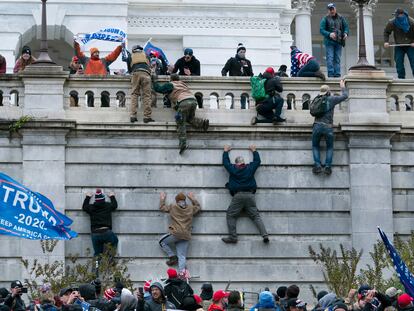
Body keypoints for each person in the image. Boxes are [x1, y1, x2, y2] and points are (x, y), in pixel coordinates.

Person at [221, 144, 269, 244]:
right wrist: (254, 150)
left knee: (230, 215)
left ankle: (233, 237)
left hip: (238, 196)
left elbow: (225, 163)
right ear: (243, 162)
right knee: (255, 216)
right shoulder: (249, 168)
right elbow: (257, 162)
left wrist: (225, 151)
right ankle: (264, 235)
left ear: (236, 163)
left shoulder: (233, 169)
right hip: (250, 195)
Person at [152, 73, 209, 154]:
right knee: (189, 118)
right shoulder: (183, 84)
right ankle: (203, 123)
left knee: (180, 121)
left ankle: (183, 143)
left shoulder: (171, 84)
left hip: (184, 102)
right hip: (193, 101)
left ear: (171, 79)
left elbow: (159, 89)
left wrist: (154, 81)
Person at [311, 80, 348, 175]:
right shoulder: (332, 99)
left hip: (317, 125)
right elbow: (345, 96)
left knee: (315, 146)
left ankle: (317, 165)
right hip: (328, 127)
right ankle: (327, 167)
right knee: (329, 147)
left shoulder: (316, 99)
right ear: (328, 92)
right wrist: (342, 86)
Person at [158, 191, 201, 274]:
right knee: (182, 256)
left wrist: (162, 199)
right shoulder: (191, 208)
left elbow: (162, 207)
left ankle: (172, 256)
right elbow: (198, 207)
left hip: (176, 233)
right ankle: (182, 274)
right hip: (186, 235)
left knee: (161, 241)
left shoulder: (173, 206)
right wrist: (193, 199)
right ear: (185, 200)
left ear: (177, 201)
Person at [82, 189, 119, 257]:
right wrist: (112, 196)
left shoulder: (91, 207)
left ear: (96, 200)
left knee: (97, 254)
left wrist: (87, 197)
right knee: (115, 241)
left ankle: (96, 267)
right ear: (103, 199)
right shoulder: (107, 206)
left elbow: (84, 207)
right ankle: (109, 261)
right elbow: (115, 205)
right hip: (106, 232)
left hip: (95, 233)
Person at [123, 44, 154, 123]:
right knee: (147, 95)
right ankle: (147, 117)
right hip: (146, 73)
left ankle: (133, 116)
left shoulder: (130, 56)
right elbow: (149, 65)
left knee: (134, 94)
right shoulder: (146, 55)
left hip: (136, 73)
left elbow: (129, 70)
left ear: (133, 50)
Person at [320, 3, 349, 78]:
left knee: (337, 58)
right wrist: (329, 34)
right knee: (330, 58)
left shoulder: (341, 18)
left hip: (339, 41)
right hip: (329, 42)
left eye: (332, 9)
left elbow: (346, 27)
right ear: (328, 10)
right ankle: (331, 74)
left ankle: (337, 74)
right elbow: (321, 30)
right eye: (330, 9)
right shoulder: (325, 19)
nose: (331, 11)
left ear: (335, 9)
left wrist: (345, 33)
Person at [384, 8, 414, 79]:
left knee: (413, 62)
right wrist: (386, 41)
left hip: (410, 45)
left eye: (398, 15)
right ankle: (401, 78)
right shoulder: (392, 22)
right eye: (395, 15)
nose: (396, 17)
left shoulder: (411, 22)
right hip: (399, 45)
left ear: (402, 15)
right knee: (399, 63)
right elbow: (386, 32)